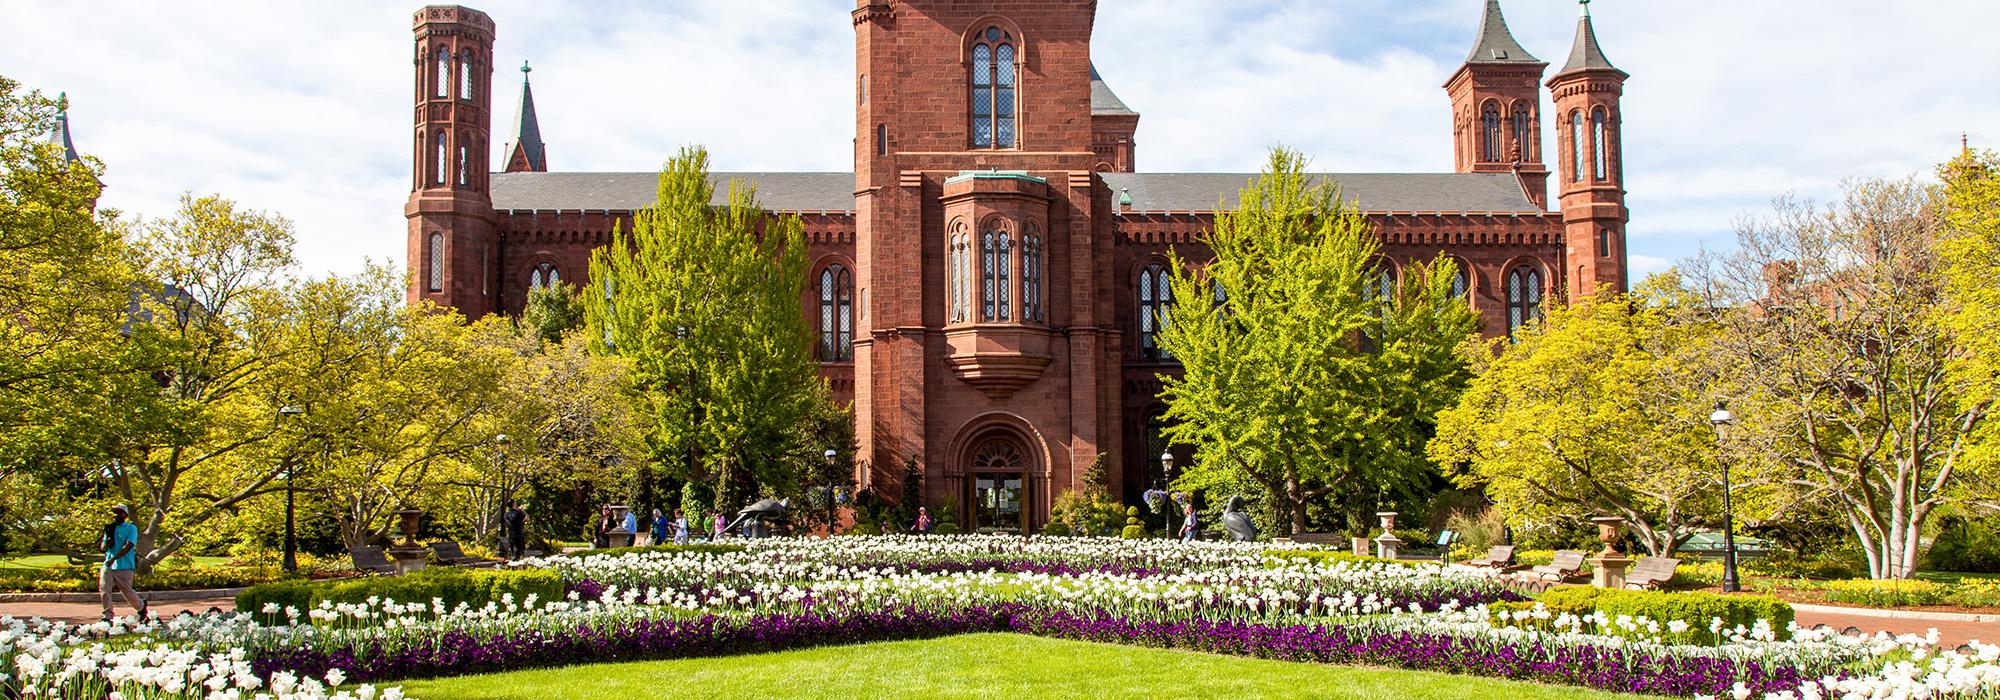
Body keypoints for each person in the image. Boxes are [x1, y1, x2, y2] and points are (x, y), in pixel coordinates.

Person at [100, 504, 147, 621]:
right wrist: (106, 544)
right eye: (115, 512)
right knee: (104, 589)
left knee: (127, 592)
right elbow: (103, 546)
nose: (117, 515)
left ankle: (141, 607)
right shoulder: (110, 528)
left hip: (125, 566)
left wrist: (114, 558)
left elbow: (128, 546)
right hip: (108, 565)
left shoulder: (131, 528)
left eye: (120, 512)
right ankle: (107, 615)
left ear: (126, 515)